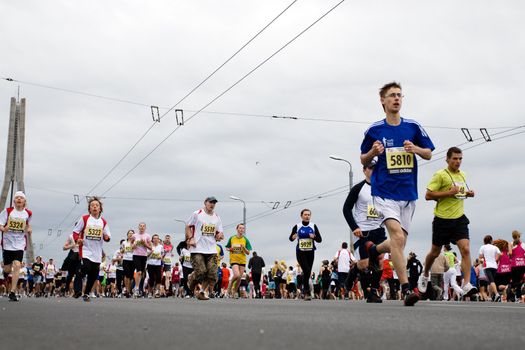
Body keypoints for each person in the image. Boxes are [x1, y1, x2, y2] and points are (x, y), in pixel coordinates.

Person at [360, 82, 434, 306]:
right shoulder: (374, 130)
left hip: (408, 194)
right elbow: (363, 159)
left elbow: (428, 154)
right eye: (392, 95)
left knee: (396, 244)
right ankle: (406, 289)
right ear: (382, 100)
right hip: (384, 193)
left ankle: (374, 251)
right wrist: (373, 151)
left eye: (399, 95)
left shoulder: (412, 126)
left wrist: (416, 149)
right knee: (398, 238)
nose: (396, 99)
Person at [418, 147, 477, 298]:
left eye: (460, 158)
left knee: (465, 249)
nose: (458, 162)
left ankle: (466, 284)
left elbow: (459, 194)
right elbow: (428, 195)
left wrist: (468, 194)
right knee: (435, 252)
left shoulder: (462, 175)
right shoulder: (440, 175)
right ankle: (425, 274)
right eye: (455, 159)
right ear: (447, 159)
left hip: (459, 218)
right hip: (442, 220)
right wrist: (448, 193)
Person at [343, 160, 386, 303]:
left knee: (380, 261)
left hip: (379, 230)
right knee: (365, 264)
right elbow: (346, 209)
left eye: (376, 168)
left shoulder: (383, 187)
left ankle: (373, 291)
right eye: (371, 168)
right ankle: (354, 270)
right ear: (364, 170)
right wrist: (354, 227)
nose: (374, 171)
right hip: (363, 231)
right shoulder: (358, 188)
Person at [72, 197, 111, 301]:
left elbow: (107, 235)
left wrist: (106, 237)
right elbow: (75, 231)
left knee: (94, 274)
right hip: (85, 249)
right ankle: (77, 290)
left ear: (100, 209)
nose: (94, 207)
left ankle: (86, 293)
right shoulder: (85, 219)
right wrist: (77, 239)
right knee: (86, 268)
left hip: (97, 252)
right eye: (92, 205)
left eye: (97, 205)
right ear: (89, 209)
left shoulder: (103, 222)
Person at [185, 196, 224, 300]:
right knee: (201, 272)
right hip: (197, 248)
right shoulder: (197, 214)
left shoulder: (217, 217)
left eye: (214, 203)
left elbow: (220, 232)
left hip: (211, 249)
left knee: (212, 274)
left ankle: (202, 292)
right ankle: (192, 277)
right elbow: (188, 226)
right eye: (210, 202)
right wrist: (190, 238)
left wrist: (220, 235)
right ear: (205, 203)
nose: (212, 204)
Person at [0, 191, 33, 301]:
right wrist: (4, 228)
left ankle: (12, 292)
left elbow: (28, 225)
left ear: (24, 201)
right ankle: (5, 274)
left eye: (21, 198)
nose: (19, 199)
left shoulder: (28, 213)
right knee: (7, 268)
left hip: (19, 243)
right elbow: (0, 224)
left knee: (18, 265)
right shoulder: (8, 211)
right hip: (8, 243)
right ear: (14, 201)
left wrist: (29, 229)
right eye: (17, 198)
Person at [289, 209, 322, 301]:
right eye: (305, 214)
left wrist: (314, 237)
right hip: (300, 252)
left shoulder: (313, 226)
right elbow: (290, 238)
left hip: (310, 252)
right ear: (301, 216)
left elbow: (320, 239)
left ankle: (302, 289)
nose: (307, 216)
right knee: (306, 270)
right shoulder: (297, 226)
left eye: (308, 215)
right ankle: (306, 292)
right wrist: (293, 236)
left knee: (307, 272)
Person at [225, 223, 252, 298]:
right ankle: (229, 287)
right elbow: (227, 247)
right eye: (240, 228)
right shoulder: (232, 238)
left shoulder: (245, 240)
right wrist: (230, 249)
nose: (241, 229)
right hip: (234, 259)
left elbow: (248, 252)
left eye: (243, 228)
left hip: (242, 260)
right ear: (237, 229)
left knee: (240, 277)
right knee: (237, 275)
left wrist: (243, 248)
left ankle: (234, 292)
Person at [131, 222, 152, 297]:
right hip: (136, 255)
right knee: (139, 272)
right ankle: (136, 288)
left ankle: (137, 287)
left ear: (145, 228)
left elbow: (150, 247)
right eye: (140, 226)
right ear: (138, 227)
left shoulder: (147, 236)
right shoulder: (134, 235)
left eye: (143, 226)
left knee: (142, 273)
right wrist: (134, 245)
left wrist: (144, 244)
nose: (142, 227)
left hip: (144, 256)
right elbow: (131, 246)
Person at [479, 235, 501, 301]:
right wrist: (496, 259)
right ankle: (490, 296)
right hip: (494, 266)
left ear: (484, 241)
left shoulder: (482, 247)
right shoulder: (495, 247)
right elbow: (500, 254)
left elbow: (480, 257)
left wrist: (482, 261)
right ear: (491, 240)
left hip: (487, 265)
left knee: (491, 281)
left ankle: (497, 294)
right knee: (490, 282)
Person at [510, 230, 525, 302]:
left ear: (512, 236)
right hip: (522, 265)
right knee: (519, 281)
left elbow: (509, 254)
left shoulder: (511, 244)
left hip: (514, 265)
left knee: (514, 281)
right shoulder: (523, 245)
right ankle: (518, 297)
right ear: (519, 236)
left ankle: (514, 296)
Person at [121, 230, 135, 298]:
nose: (131, 235)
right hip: (126, 259)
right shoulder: (124, 242)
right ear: (127, 235)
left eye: (132, 234)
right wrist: (123, 250)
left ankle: (129, 290)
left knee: (131, 276)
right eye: (129, 233)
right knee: (127, 275)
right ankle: (127, 290)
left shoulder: (135, 242)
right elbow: (121, 250)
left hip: (133, 260)